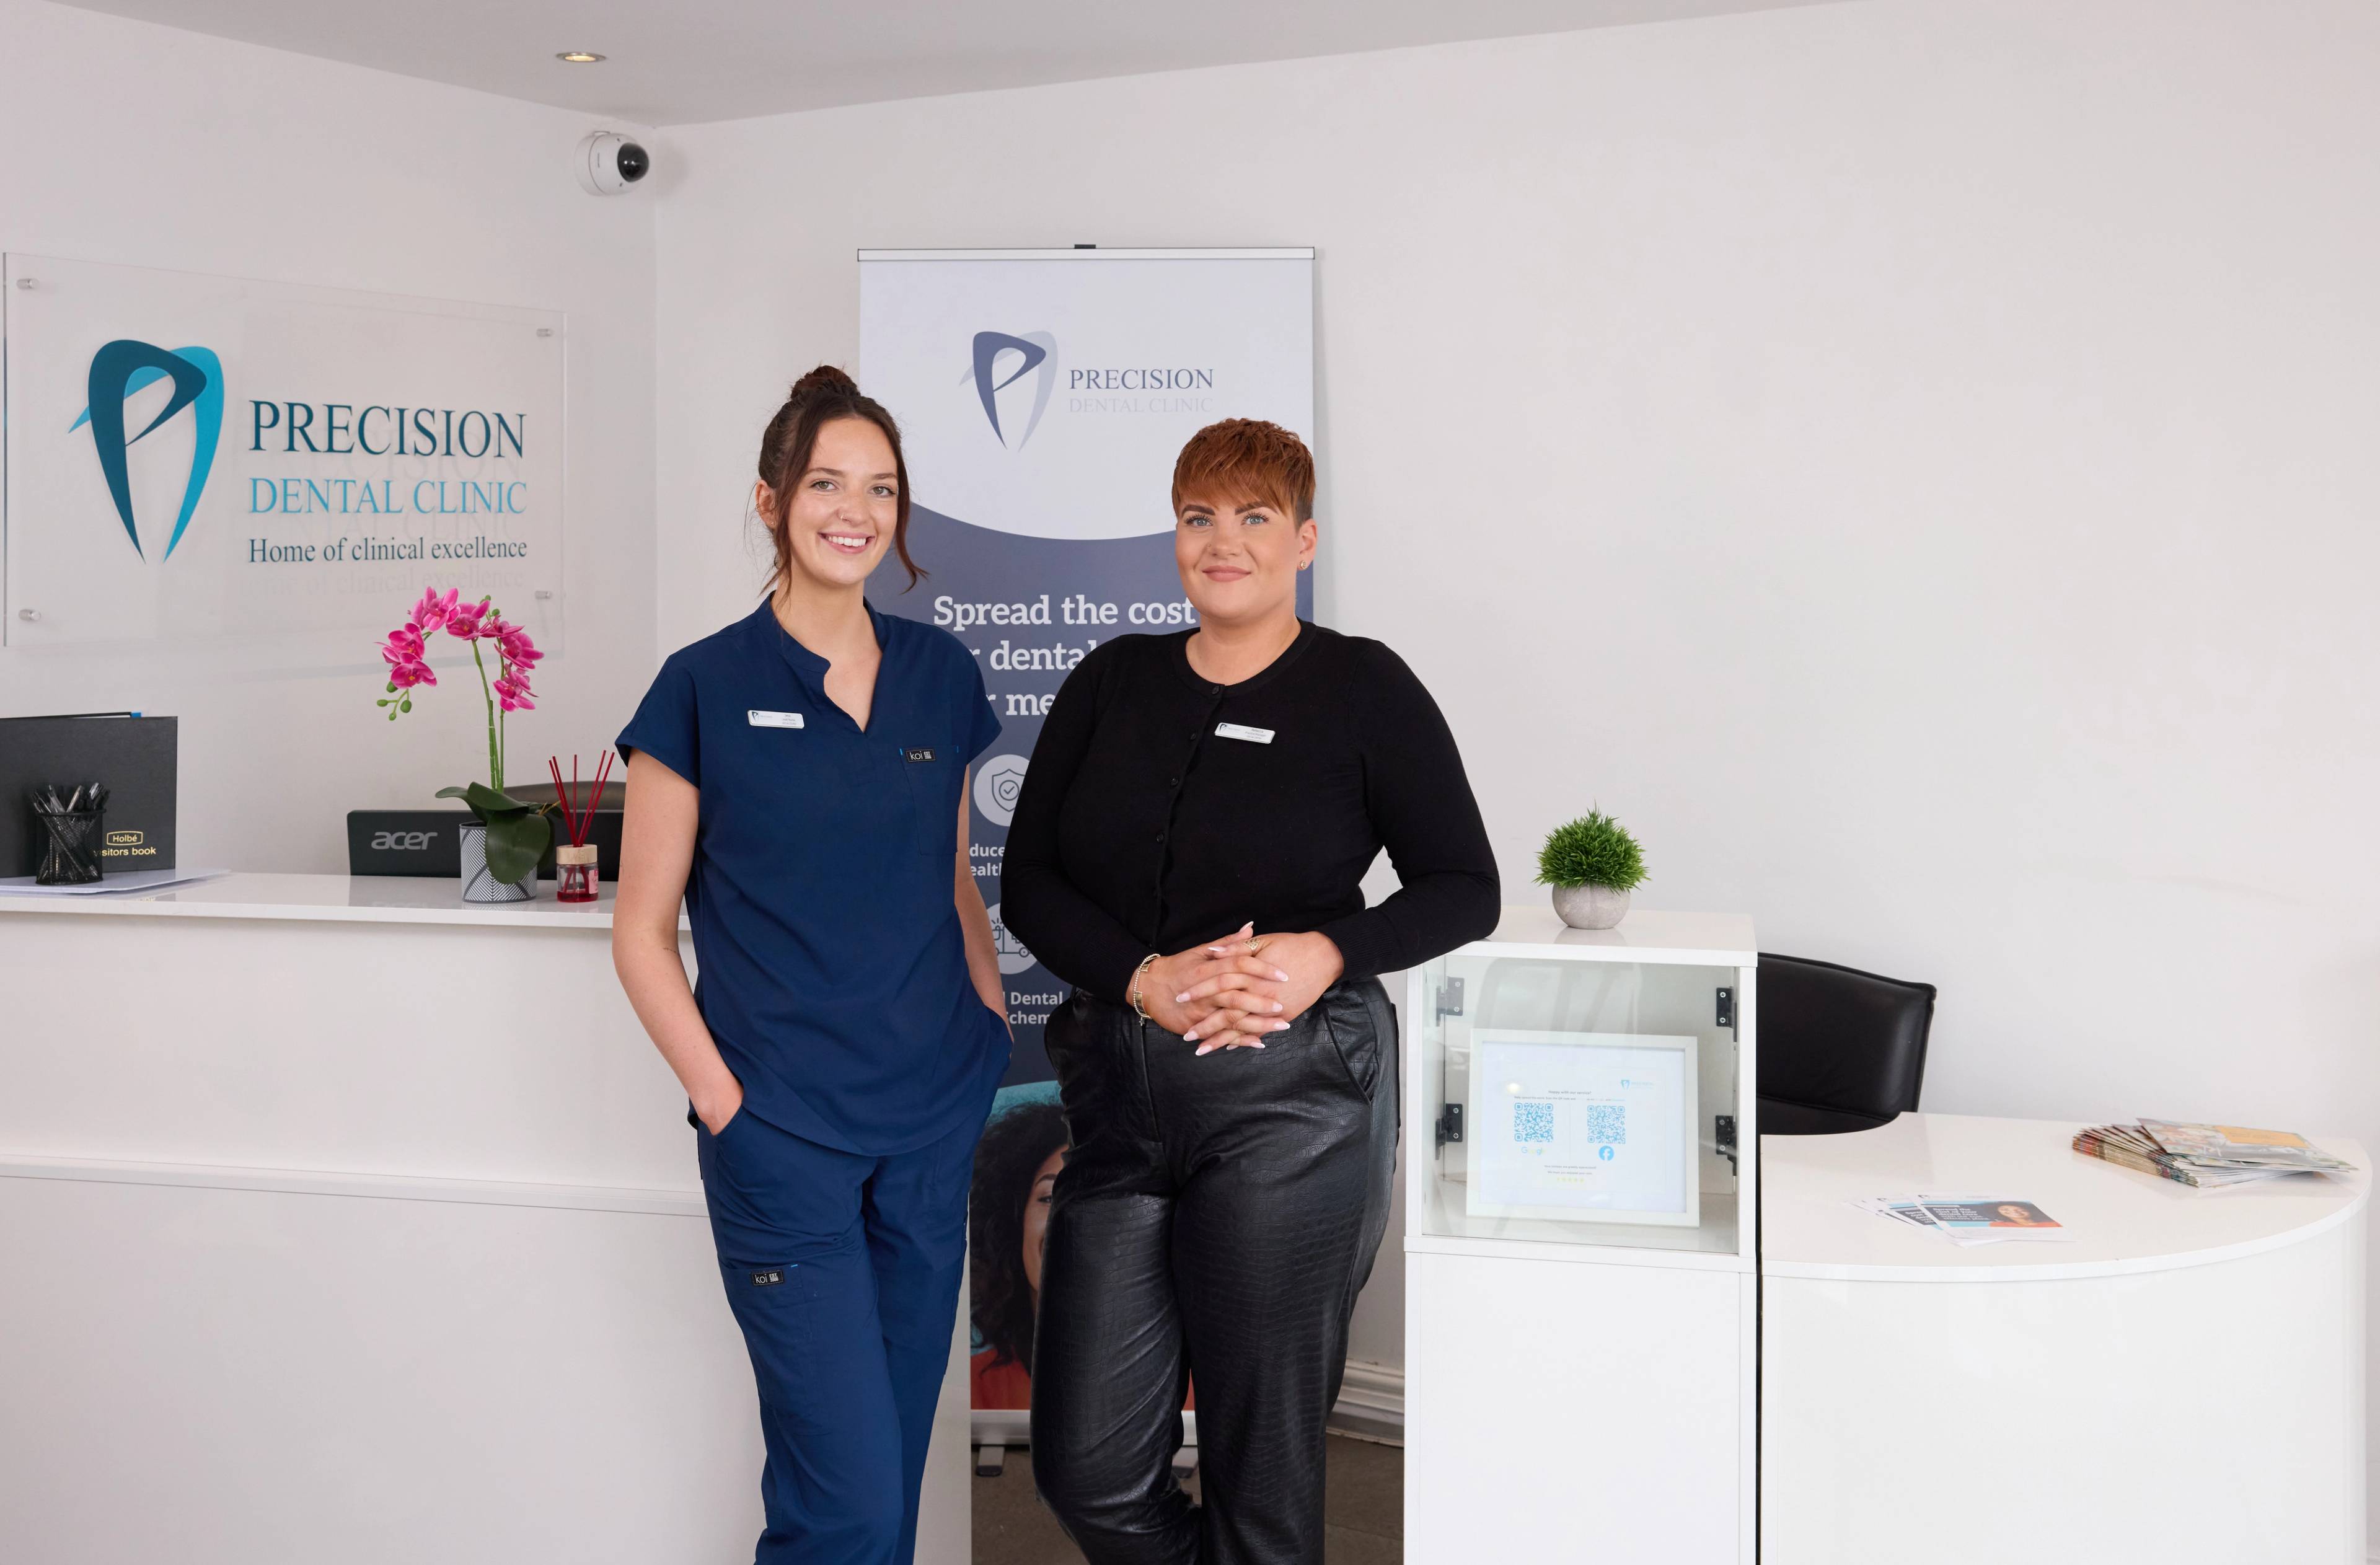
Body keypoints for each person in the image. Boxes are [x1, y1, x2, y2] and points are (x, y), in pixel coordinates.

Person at [1003, 418, 1499, 1564]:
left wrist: (1327, 951)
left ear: (1304, 540)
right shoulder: (1113, 679)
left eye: (1254, 516)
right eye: (1199, 516)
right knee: (1086, 1471)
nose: (1222, 541)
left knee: (1259, 1480)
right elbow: (1029, 881)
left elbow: (1464, 887)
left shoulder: (1364, 687)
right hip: (1120, 1104)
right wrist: (1144, 978)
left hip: (1292, 1106)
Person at [610, 365, 1011, 1565]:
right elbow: (641, 932)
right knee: (846, 1507)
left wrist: (987, 1027)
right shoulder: (701, 687)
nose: (857, 510)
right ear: (772, 499)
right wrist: (727, 1105)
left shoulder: (940, 675)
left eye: (881, 487)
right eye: (829, 483)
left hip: (930, 1126)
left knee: (886, 1489)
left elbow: (951, 875)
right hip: (784, 1140)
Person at [967, 1097, 1069, 1410]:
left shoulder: (1183, 1392)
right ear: (1014, 1225)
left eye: (1094, 1198)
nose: (1069, 1218)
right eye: (1049, 1198)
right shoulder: (971, 1393)